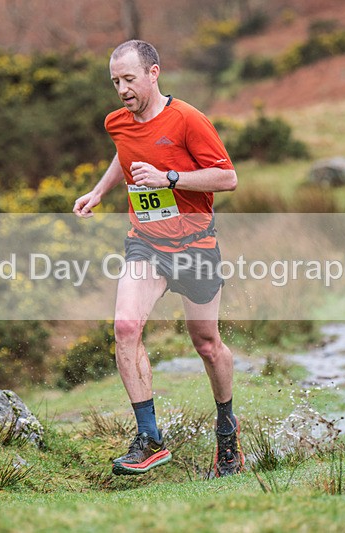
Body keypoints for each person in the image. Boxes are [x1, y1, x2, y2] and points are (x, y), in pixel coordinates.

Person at [73, 40, 243, 478]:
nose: (122, 90)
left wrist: (171, 177)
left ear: (153, 73)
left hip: (197, 246)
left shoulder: (187, 119)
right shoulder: (118, 122)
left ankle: (227, 432)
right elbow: (125, 154)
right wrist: (100, 190)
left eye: (129, 79)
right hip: (145, 243)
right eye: (115, 82)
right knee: (125, 327)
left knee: (206, 344)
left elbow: (227, 177)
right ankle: (149, 439)